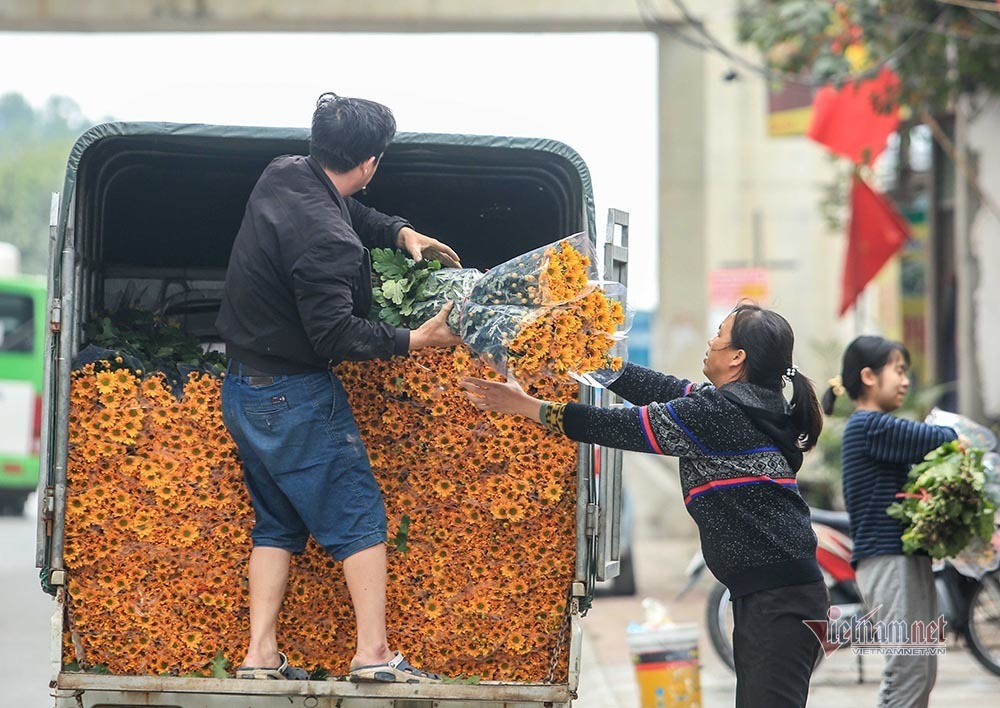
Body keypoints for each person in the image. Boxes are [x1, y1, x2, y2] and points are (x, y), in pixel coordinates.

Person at [461, 302, 829, 707]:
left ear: (737, 357)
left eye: (719, 334)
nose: (710, 340)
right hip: (775, 594)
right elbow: (658, 387)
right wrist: (584, 355)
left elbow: (621, 425)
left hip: (779, 599)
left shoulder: (718, 414)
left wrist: (527, 406)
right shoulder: (749, 403)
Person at [216, 92, 461, 683]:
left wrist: (403, 233)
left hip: (244, 389)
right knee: (358, 516)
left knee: (276, 522)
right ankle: (373, 655)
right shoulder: (329, 241)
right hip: (293, 398)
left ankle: (259, 656)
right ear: (372, 161)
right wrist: (416, 341)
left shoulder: (284, 174)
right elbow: (336, 336)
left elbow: (344, 209)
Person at [822, 336, 956, 708]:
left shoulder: (873, 427)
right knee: (908, 672)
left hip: (902, 560)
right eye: (898, 370)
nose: (905, 380)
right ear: (868, 376)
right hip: (889, 561)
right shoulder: (869, 426)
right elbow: (943, 438)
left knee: (920, 671)